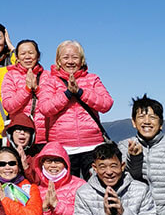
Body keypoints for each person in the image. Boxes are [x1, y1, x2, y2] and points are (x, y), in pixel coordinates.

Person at [39, 40, 113, 180]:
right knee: (66, 191)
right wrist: (67, 94)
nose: (70, 61)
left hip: (93, 146)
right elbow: (45, 108)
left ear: (82, 60)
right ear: (58, 61)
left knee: (96, 190)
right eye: (66, 57)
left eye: (75, 57)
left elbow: (106, 104)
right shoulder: (50, 81)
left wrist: (80, 92)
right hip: (63, 148)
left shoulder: (92, 79)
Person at [2, 39, 48, 146]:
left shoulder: (47, 76)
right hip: (19, 137)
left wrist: (37, 89)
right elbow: (9, 106)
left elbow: (50, 105)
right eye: (23, 54)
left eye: (31, 53)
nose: (27, 57)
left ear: (38, 56)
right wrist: (26, 90)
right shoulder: (10, 76)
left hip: (43, 137)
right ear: (17, 57)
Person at [4, 113, 40, 182]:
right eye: (18, 129)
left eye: (26, 130)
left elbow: (38, 182)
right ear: (11, 134)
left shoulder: (36, 158)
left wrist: (26, 166)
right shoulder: (2, 155)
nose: (22, 132)